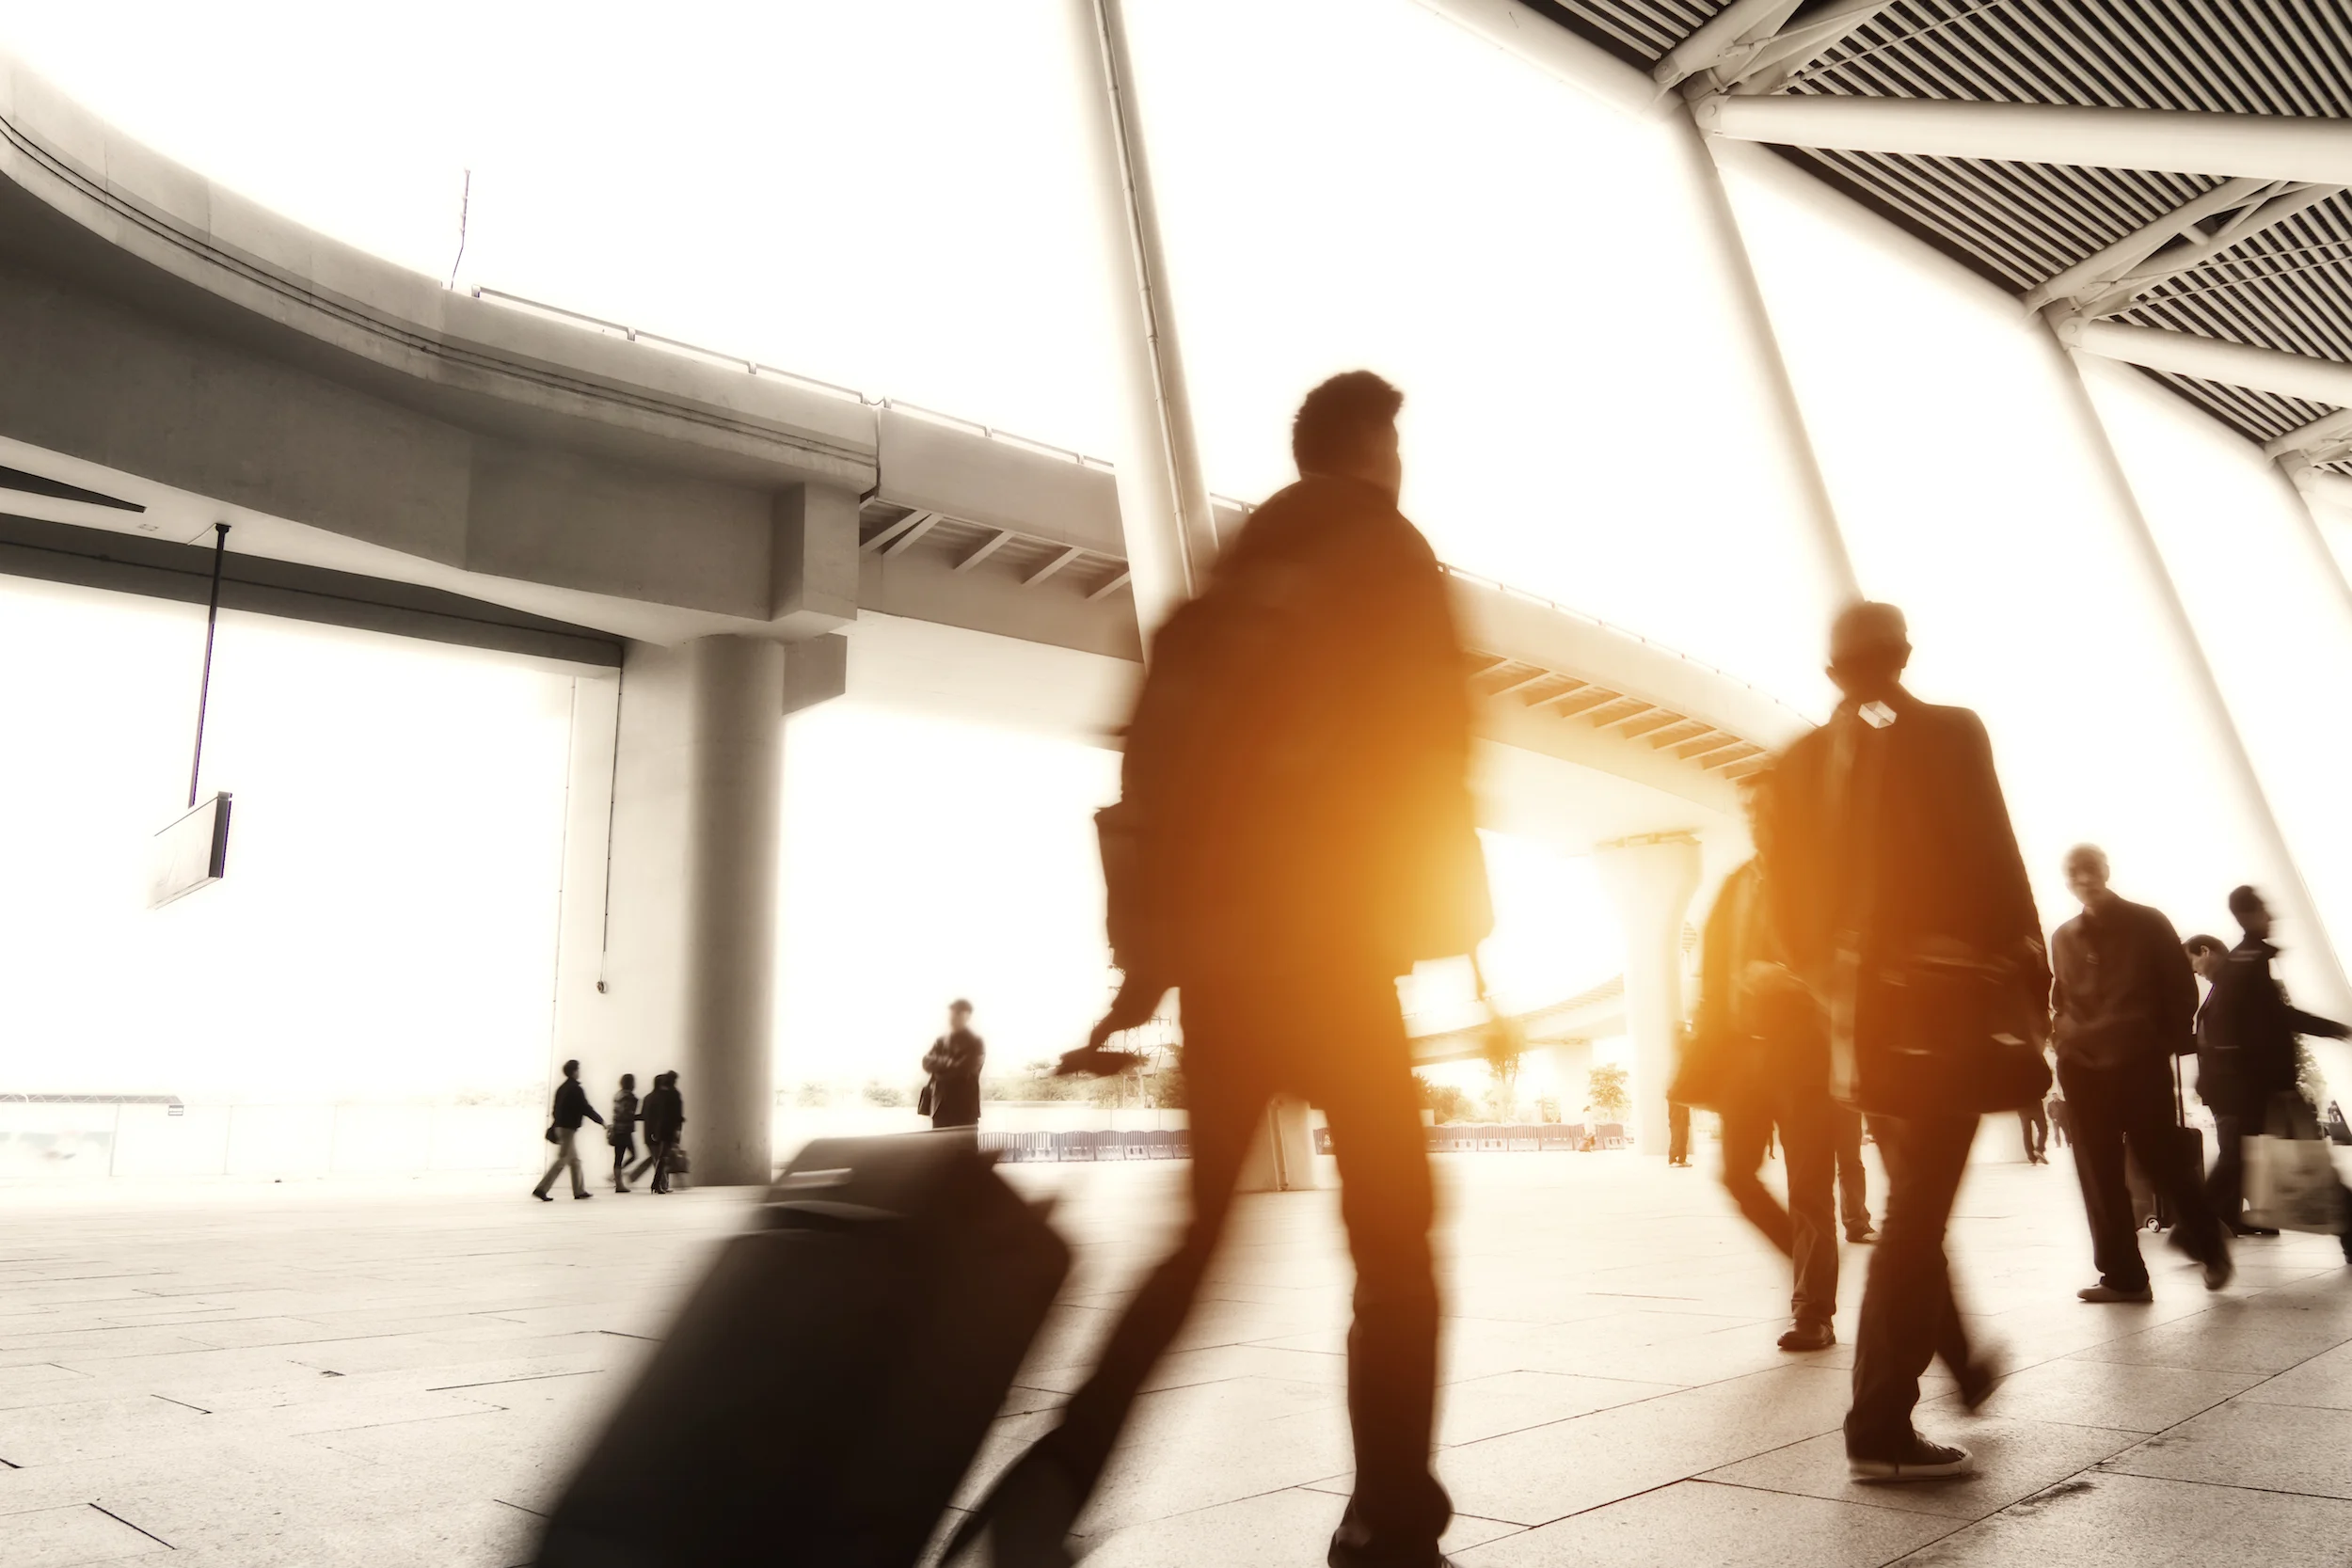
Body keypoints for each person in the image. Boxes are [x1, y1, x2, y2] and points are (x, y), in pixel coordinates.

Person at [954, 372, 1481, 1568]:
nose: (1400, 461)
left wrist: (1146, 973)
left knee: (1195, 1242)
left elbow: (1158, 779)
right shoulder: (1387, 553)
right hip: (1337, 950)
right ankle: (1388, 1514)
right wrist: (1452, 931)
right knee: (1395, 1240)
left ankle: (1052, 1488)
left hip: (1226, 968)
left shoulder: (1225, 587)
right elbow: (1429, 743)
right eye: (1393, 440)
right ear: (1368, 447)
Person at [1763, 601, 2036, 1482]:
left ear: (1832, 670)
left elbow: (1790, 914)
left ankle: (1958, 1366)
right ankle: (1879, 1422)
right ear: (1906, 654)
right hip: (1948, 1011)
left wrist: (1841, 989)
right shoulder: (1952, 734)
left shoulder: (1797, 766)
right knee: (1919, 1212)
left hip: (1864, 1030)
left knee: (1919, 1200)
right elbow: (1997, 857)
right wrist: (2028, 983)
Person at [1696, 766, 1843, 1353]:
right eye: (1749, 811)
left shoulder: (1817, 882)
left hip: (1806, 1054)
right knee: (1734, 1173)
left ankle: (1814, 1310)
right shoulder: (1736, 883)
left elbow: (1845, 963)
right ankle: (1812, 1266)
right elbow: (1712, 968)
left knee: (1810, 1186)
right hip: (1743, 1057)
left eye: (1767, 811)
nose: (1757, 821)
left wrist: (1788, 979)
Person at [2048, 846, 2230, 1302]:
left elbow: (2179, 988)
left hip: (2138, 1062)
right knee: (2097, 1171)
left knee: (2162, 1159)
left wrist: (2159, 1043)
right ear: (2067, 880)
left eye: (2090, 871)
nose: (2084, 879)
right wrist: (2064, 1042)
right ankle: (2123, 1276)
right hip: (2084, 1068)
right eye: (2075, 873)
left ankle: (2210, 1246)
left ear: (2105, 872)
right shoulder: (2063, 937)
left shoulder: (2148, 922)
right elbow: (2062, 997)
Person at [2197, 891, 2352, 1261]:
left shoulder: (2246, 963)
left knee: (2243, 1160)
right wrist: (2334, 1030)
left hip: (2260, 1088)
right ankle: (2194, 1224)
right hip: (2268, 1088)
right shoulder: (2247, 963)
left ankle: (2195, 1226)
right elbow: (2274, 1022)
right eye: (2265, 909)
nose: (2272, 915)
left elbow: (2272, 1019)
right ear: (2248, 914)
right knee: (2304, 1160)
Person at [532, 1059, 605, 1202]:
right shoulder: (576, 1089)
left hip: (560, 1127)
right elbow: (586, 1108)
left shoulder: (562, 1088)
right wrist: (602, 1122)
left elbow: (554, 1110)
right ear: (574, 1071)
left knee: (575, 1160)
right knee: (563, 1159)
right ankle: (542, 1188)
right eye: (578, 1069)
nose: (580, 1072)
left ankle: (579, 1190)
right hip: (568, 1129)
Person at [921, 1000, 986, 1131]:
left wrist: (939, 1067)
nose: (952, 1018)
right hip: (939, 1109)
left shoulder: (976, 1042)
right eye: (951, 1014)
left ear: (967, 1016)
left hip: (965, 1109)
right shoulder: (940, 1041)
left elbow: (963, 1070)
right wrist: (950, 1063)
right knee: (939, 1149)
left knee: (965, 1150)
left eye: (957, 1014)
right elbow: (926, 1062)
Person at [634, 1071, 684, 1195]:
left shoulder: (648, 1098)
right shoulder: (665, 1096)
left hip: (649, 1132)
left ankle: (660, 1184)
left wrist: (628, 1118)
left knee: (657, 1158)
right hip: (660, 1131)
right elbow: (669, 1115)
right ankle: (660, 1184)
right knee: (661, 1158)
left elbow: (643, 1115)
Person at [1835, 1109, 1876, 1241]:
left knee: (1851, 1163)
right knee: (1814, 1167)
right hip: (1809, 1098)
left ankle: (1856, 1226)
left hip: (1844, 1103)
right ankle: (1814, 1234)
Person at [609, 1072, 641, 1194]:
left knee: (619, 1157)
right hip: (625, 1129)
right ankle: (618, 1182)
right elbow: (628, 1114)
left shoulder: (617, 1095)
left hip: (617, 1129)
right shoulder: (630, 1097)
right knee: (629, 1155)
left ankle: (616, 1179)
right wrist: (641, 1117)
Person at [2017, 1097, 2049, 1164]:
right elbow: (2043, 1094)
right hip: (2036, 1106)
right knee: (2043, 1129)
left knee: (2026, 1133)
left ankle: (2032, 1158)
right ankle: (2039, 1150)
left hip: (2022, 1108)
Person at [1667, 1098, 1692, 1167]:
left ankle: (1682, 1160)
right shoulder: (1673, 1094)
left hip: (1684, 1120)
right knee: (1676, 1140)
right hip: (1675, 1120)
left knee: (1684, 1140)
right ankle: (1672, 1160)